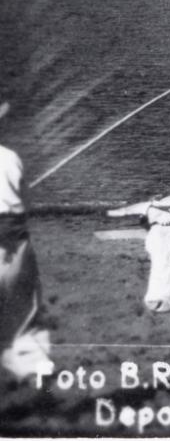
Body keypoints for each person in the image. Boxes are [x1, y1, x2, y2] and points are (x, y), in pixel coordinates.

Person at [1, 103, 55, 382]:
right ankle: (33, 367)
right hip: (13, 231)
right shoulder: (10, 157)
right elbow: (27, 203)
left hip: (10, 229)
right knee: (24, 298)